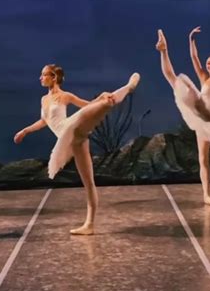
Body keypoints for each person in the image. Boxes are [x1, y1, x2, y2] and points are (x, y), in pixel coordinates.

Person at [14, 64, 140, 235]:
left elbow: (86, 106)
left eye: (44, 75)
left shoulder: (65, 96)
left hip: (73, 126)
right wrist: (25, 131)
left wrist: (100, 99)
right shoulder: (44, 100)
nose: (40, 78)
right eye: (41, 75)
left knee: (106, 102)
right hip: (73, 141)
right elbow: (44, 121)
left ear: (54, 77)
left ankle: (129, 87)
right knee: (88, 183)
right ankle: (89, 225)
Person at [156, 25, 210, 205]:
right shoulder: (204, 78)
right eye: (208, 63)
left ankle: (206, 195)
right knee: (175, 81)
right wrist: (191, 38)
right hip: (198, 111)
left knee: (204, 158)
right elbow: (194, 57)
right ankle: (164, 50)